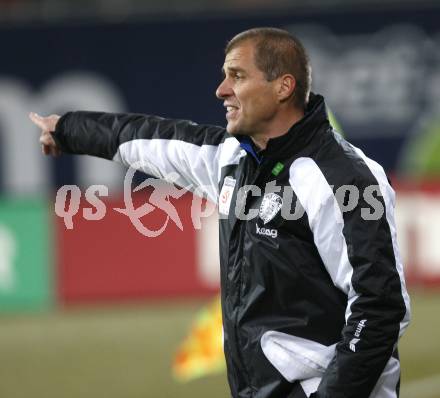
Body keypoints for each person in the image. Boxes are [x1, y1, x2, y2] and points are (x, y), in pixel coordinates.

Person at [30, 27, 410, 398]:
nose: (221, 90)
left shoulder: (344, 179)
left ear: (283, 87)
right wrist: (68, 129)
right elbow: (149, 139)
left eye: (237, 76)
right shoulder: (232, 157)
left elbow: (379, 308)